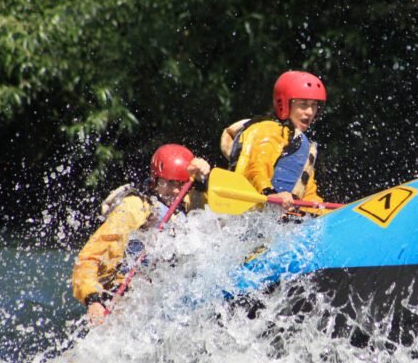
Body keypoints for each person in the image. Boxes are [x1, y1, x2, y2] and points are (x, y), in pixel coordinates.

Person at [71, 144, 211, 324]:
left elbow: (212, 212)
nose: (176, 190)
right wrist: (93, 300)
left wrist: (203, 180)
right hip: (127, 299)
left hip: (167, 298)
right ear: (155, 181)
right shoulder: (133, 209)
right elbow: (88, 259)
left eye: (181, 184)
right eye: (170, 183)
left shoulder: (187, 201)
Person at [220, 70, 327, 213]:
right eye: (303, 104)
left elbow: (308, 193)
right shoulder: (269, 130)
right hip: (257, 214)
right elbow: (256, 167)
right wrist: (269, 193)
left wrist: (323, 211)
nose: (310, 112)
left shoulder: (303, 143)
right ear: (285, 104)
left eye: (314, 105)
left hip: (286, 217)